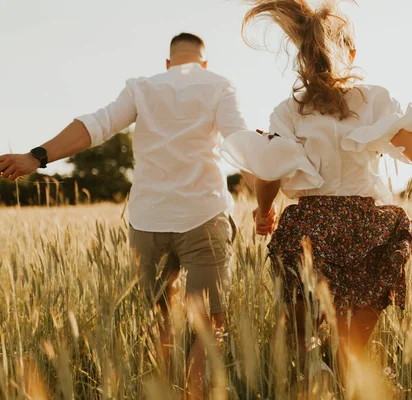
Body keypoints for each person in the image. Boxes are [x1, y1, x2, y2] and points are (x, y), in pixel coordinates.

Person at [220, 0, 412, 382]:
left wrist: (263, 212)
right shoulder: (375, 100)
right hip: (367, 229)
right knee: (350, 353)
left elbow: (270, 169)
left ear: (302, 56)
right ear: (352, 52)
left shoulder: (289, 110)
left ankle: (315, 373)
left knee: (298, 343)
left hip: (308, 229)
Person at [0, 32, 253, 399]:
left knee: (160, 319)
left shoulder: (142, 87)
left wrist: (36, 156)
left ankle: (165, 391)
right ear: (204, 62)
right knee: (207, 325)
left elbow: (96, 125)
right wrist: (264, 197)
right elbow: (239, 140)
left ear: (168, 63)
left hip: (148, 221)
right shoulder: (218, 85)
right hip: (204, 214)